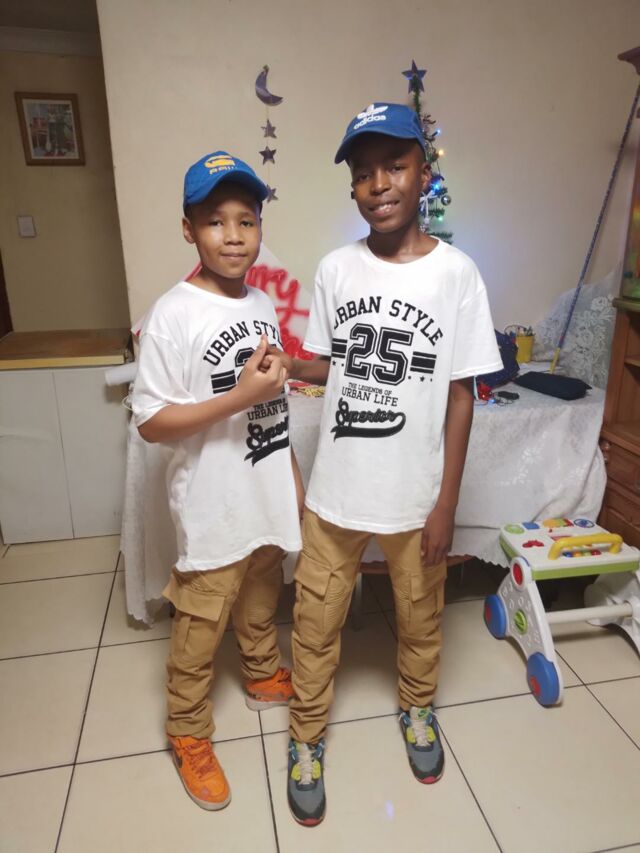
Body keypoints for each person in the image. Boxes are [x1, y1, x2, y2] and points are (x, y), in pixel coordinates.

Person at [268, 104, 502, 826]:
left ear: (423, 174)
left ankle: (418, 708)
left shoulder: (457, 274)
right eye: (364, 173)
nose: (379, 184)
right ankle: (306, 737)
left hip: (414, 497)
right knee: (314, 623)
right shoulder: (336, 269)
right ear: (352, 188)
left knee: (421, 619)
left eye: (394, 166)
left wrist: (446, 503)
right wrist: (289, 365)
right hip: (337, 493)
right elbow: (332, 364)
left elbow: (461, 394)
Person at [132, 151, 304, 811]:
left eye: (246, 221)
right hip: (210, 503)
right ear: (189, 230)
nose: (233, 236)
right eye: (215, 221)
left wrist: (291, 476)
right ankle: (187, 730)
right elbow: (152, 423)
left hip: (262, 490)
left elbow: (271, 402)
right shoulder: (172, 313)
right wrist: (237, 397)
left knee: (261, 593)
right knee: (201, 622)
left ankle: (260, 674)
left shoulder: (260, 303)